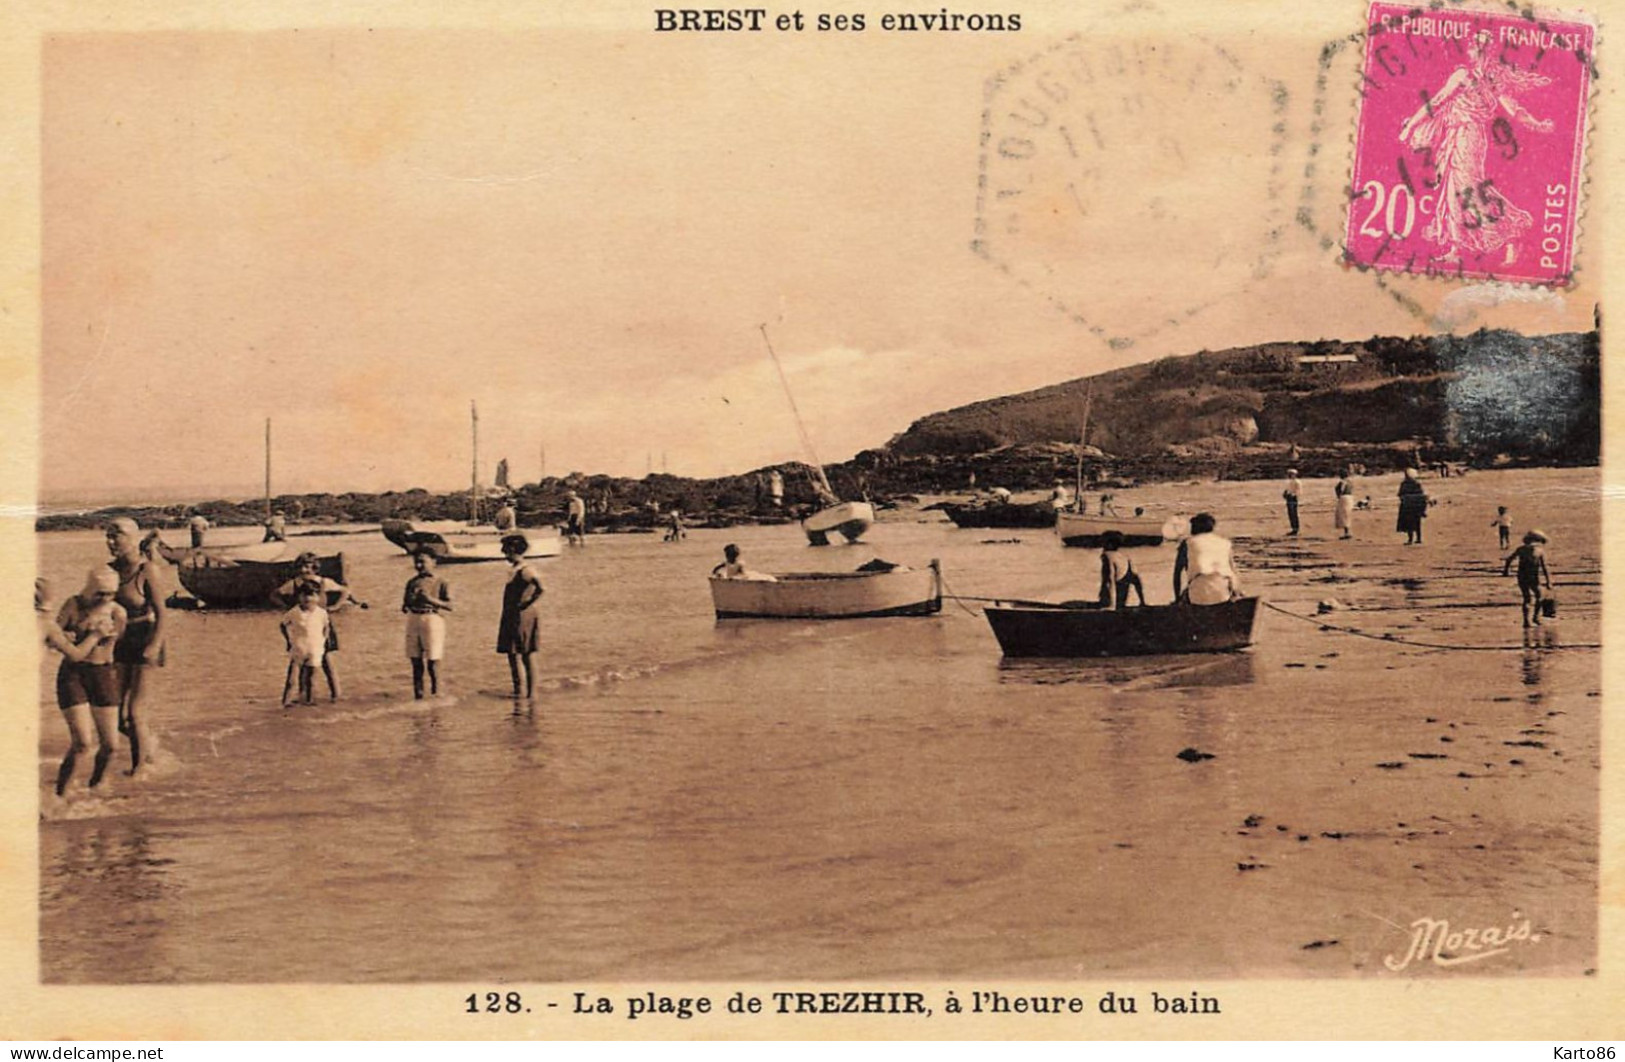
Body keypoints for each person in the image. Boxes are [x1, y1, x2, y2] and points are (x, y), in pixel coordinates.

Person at [1398, 30, 1554, 264]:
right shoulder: (1492, 81)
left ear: (1476, 51)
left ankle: (1512, 236)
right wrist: (1538, 125)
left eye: (1472, 48)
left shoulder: (1466, 75)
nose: (1469, 51)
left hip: (1466, 136)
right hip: (1460, 135)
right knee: (1453, 189)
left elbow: (1437, 102)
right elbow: (1515, 111)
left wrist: (1410, 126)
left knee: (1469, 189)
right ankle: (1455, 249)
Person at [50, 568, 128, 795]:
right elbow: (54, 635)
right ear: (90, 589)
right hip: (73, 674)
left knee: (111, 745)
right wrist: (68, 636)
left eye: (110, 594)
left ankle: (95, 786)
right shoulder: (73, 605)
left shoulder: (117, 612)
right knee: (83, 743)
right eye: (100, 593)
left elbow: (118, 644)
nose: (105, 599)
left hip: (103, 673)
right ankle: (60, 795)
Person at [106, 517, 167, 775]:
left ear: (132, 538)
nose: (110, 542)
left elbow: (163, 613)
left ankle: (139, 770)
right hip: (119, 643)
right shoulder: (108, 571)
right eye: (107, 536)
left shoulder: (147, 570)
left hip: (146, 637)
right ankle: (149, 749)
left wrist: (154, 645)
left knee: (135, 712)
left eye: (116, 535)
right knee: (117, 717)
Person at [270, 553, 368, 701]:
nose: (304, 570)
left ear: (315, 568)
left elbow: (345, 591)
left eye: (308, 566)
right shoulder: (295, 583)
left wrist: (336, 606)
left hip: (321, 624)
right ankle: (303, 695)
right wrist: (286, 607)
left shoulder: (323, 582)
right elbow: (275, 594)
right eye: (301, 566)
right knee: (303, 662)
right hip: (302, 626)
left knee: (327, 660)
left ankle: (336, 694)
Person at [496, 534, 544, 700]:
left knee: (526, 654)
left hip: (523, 616)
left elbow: (541, 588)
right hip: (511, 614)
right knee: (512, 653)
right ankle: (518, 690)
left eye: (506, 550)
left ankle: (532, 693)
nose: (503, 553)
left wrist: (528, 603)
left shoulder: (526, 569)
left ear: (513, 550)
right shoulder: (514, 569)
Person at [402, 552, 452, 699]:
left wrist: (429, 599)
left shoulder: (441, 582)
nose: (419, 566)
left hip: (432, 618)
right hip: (414, 618)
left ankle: (437, 695)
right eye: (416, 562)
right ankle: (419, 695)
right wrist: (409, 602)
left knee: (433, 661)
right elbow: (405, 605)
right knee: (415, 660)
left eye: (422, 562)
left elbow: (450, 605)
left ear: (433, 562)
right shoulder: (411, 582)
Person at [279, 583, 331, 706]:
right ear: (299, 597)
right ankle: (285, 702)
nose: (308, 599)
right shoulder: (294, 612)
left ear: (318, 597)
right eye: (304, 595)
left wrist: (324, 640)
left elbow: (326, 626)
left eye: (312, 595)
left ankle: (308, 701)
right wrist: (288, 640)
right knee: (292, 678)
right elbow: (282, 625)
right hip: (298, 648)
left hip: (315, 648)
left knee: (311, 679)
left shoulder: (321, 613)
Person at [1172, 512, 1241, 605]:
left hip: (1198, 594)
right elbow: (1233, 571)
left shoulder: (1187, 543)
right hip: (1223, 593)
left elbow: (1177, 574)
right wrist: (1237, 593)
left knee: (1186, 595)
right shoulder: (1225, 543)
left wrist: (1177, 599)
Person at [1503, 530, 1553, 628]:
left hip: (1521, 576)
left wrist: (1506, 571)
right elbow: (1544, 567)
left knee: (1527, 599)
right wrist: (1548, 581)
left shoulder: (1521, 549)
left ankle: (1526, 621)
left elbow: (1509, 560)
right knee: (1539, 596)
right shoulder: (1539, 551)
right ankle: (1536, 617)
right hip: (1533, 576)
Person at [1098, 530, 1145, 610]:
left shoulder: (1107, 556)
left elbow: (1109, 579)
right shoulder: (1124, 557)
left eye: (1103, 543)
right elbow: (1135, 579)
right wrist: (1142, 601)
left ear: (1109, 544)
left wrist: (1111, 605)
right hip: (1121, 597)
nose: (1102, 546)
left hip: (1113, 597)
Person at [710, 543, 775, 582]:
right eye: (727, 555)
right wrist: (718, 575)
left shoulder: (739, 564)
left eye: (730, 555)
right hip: (731, 579)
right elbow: (715, 569)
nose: (728, 557)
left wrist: (735, 578)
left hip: (736, 579)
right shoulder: (726, 563)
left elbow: (742, 574)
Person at [1397, 467, 1428, 545]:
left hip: (1407, 507)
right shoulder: (1417, 484)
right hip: (1416, 506)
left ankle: (1411, 539)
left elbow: (1401, 495)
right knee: (1417, 523)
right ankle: (1418, 538)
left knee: (1409, 524)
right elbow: (1421, 495)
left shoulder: (1404, 484)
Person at [1333, 468, 1355, 540]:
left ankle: (1347, 532)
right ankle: (1347, 531)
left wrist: (1338, 496)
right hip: (1350, 498)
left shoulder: (1342, 482)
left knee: (1344, 515)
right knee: (1347, 515)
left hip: (1344, 499)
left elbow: (1340, 491)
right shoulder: (1350, 482)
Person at [1283, 469, 1302, 536]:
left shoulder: (1297, 482)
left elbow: (1298, 491)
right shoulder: (1289, 482)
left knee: (1294, 513)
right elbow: (1287, 490)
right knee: (1290, 513)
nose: (1291, 476)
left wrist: (1293, 495)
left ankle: (1296, 528)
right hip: (1289, 498)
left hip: (1293, 498)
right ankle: (1293, 528)